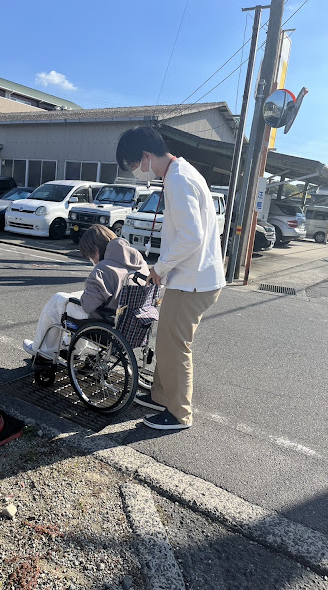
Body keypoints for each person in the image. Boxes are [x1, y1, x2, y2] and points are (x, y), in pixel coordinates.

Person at [116, 126, 226, 431]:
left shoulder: (178, 178)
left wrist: (159, 269)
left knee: (176, 346)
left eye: (134, 164)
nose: (135, 171)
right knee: (166, 341)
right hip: (193, 277)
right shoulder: (181, 172)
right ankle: (162, 396)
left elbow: (192, 235)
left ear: (146, 156)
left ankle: (179, 413)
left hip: (192, 281)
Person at [23, 224, 149, 364]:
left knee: (58, 300)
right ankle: (71, 347)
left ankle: (43, 351)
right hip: (131, 324)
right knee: (74, 297)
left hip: (105, 324)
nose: (91, 260)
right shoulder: (140, 262)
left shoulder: (103, 268)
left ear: (95, 250)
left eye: (89, 256)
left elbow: (88, 306)